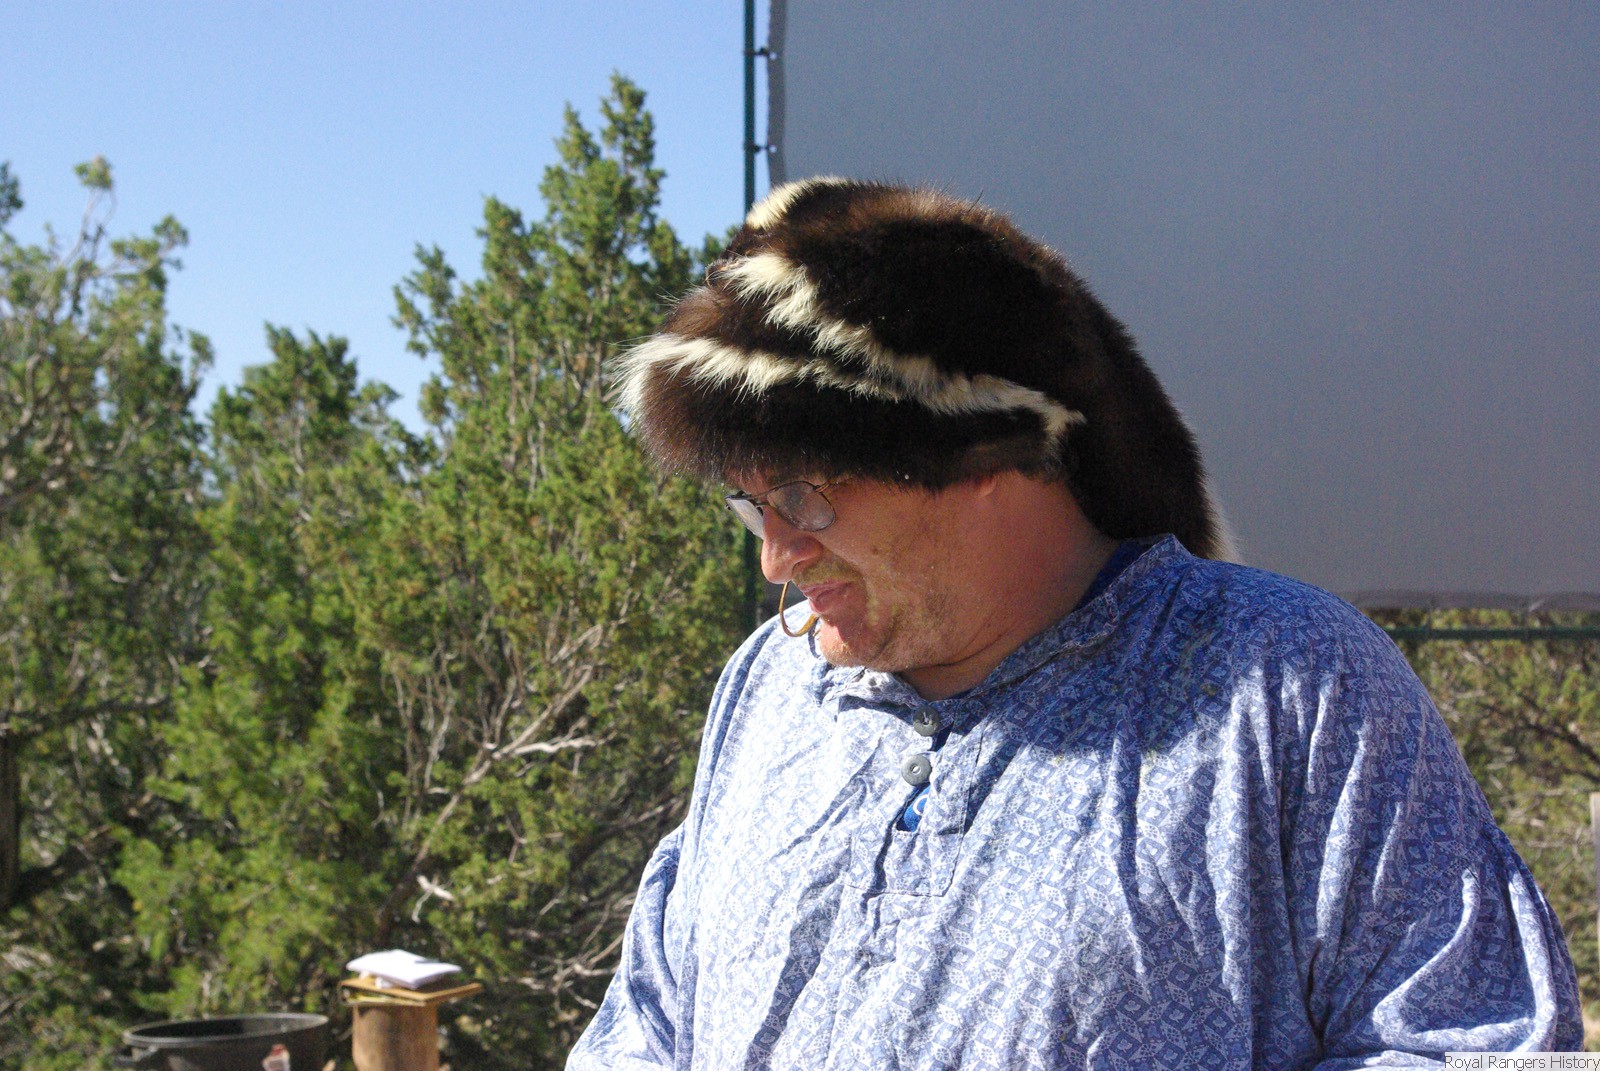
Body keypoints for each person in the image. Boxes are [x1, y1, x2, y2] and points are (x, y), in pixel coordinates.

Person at [566, 178, 1581, 1069]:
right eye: (751, 506)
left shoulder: (1286, 683)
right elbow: (648, 1023)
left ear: (982, 453)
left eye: (805, 497)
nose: (776, 558)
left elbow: (1472, 1044)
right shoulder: (767, 686)